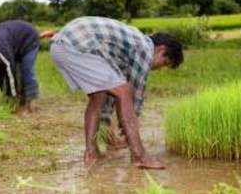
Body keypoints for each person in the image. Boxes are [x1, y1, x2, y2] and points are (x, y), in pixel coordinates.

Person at [49, 16, 183, 169]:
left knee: (99, 96)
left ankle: (92, 153)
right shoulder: (144, 48)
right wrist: (127, 133)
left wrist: (107, 131)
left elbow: (111, 94)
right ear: (161, 49)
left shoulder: (130, 47)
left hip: (61, 47)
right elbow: (134, 94)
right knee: (125, 91)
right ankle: (140, 156)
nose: (159, 68)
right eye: (164, 63)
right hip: (75, 45)